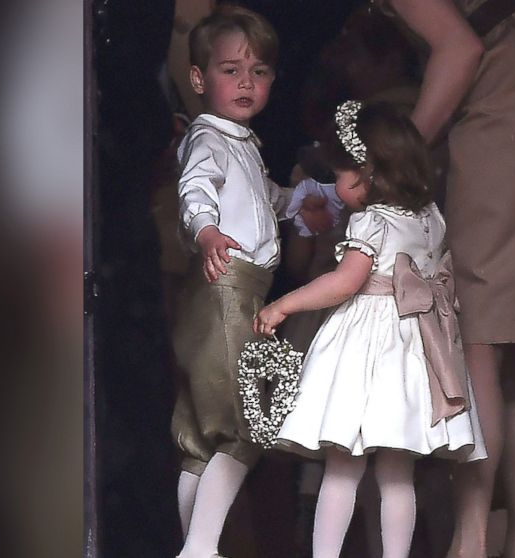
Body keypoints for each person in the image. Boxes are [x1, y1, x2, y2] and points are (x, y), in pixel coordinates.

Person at [382, 1, 515, 557]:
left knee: (478, 336)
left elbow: (460, 47)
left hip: (513, 102)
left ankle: (469, 540)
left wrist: (390, 160)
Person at [254, 100, 487, 558]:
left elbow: (346, 281)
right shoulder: (430, 217)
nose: (337, 185)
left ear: (368, 174)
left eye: (341, 174)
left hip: (369, 350)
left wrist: (286, 303)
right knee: (397, 475)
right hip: (412, 354)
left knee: (342, 468)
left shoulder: (372, 220)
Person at [169, 7, 315, 558]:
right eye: (231, 70)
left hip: (234, 289)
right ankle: (200, 550)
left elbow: (264, 199)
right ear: (200, 79)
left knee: (201, 439)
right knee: (246, 423)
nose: (247, 82)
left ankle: (196, 545)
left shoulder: (240, 142)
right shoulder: (209, 140)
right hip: (227, 285)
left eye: (260, 71)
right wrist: (207, 234)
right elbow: (196, 193)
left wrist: (302, 198)